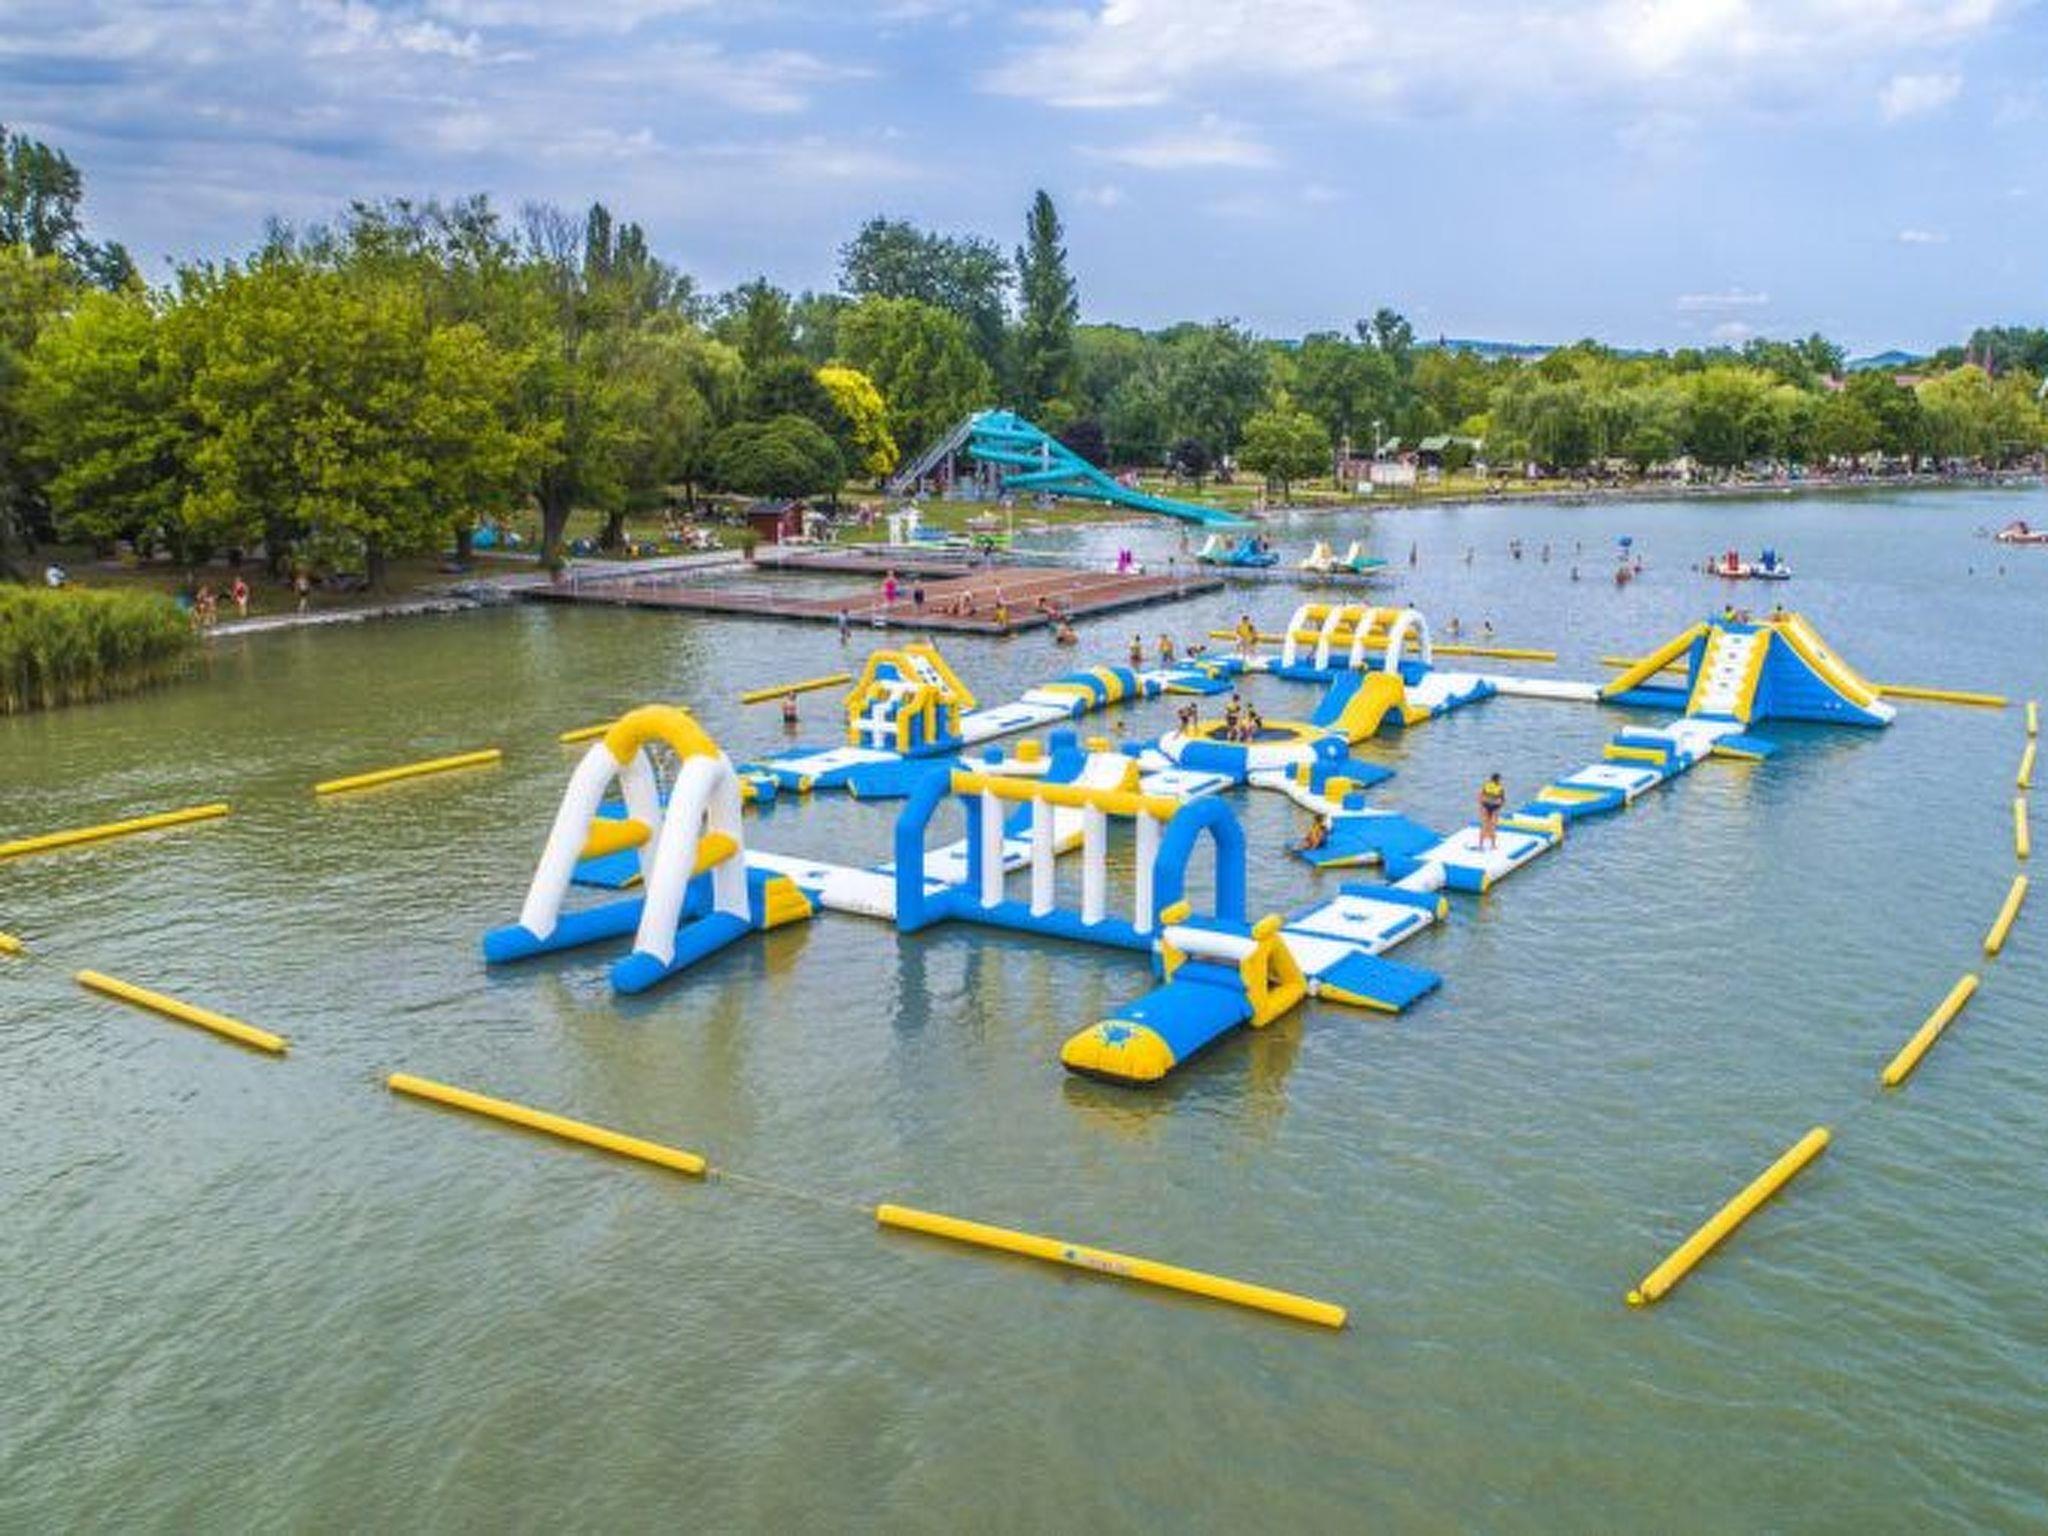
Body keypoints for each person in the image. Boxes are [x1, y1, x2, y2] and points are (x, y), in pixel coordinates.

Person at [1478, 771, 1506, 851]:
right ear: (1498, 779)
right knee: (1493, 826)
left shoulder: (1486, 785)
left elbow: (1480, 795)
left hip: (1486, 805)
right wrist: (1499, 807)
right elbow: (1502, 800)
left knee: (1484, 825)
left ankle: (1481, 845)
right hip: (1495, 807)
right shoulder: (1500, 787)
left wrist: (1481, 806)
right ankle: (1493, 845)